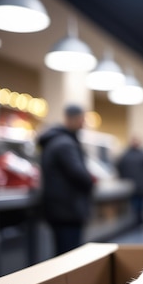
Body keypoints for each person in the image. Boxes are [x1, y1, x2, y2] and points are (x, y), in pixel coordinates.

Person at [38, 104, 95, 255]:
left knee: (61, 253)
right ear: (73, 119)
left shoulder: (53, 141)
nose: (83, 124)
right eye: (82, 120)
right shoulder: (65, 144)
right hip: (68, 209)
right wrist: (90, 182)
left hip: (58, 209)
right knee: (69, 255)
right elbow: (78, 174)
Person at [116, 136, 143, 227]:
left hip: (131, 185)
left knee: (134, 203)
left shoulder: (125, 155)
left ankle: (136, 221)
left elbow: (119, 168)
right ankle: (142, 220)